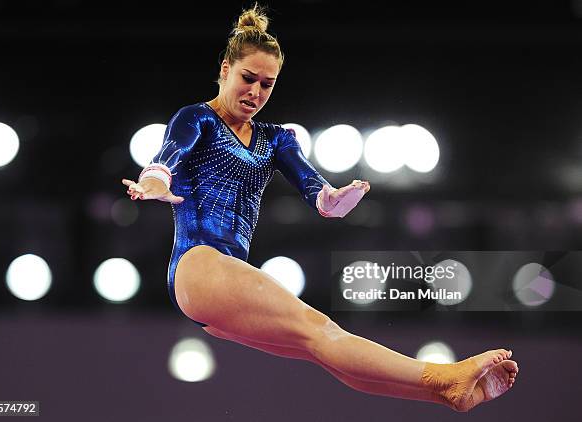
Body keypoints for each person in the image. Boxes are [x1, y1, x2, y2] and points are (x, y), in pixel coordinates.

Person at [122, 4, 518, 412]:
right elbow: (166, 160)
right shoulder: (197, 119)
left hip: (219, 285)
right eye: (247, 78)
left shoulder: (275, 139)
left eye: (267, 84)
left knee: (321, 348)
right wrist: (154, 184)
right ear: (225, 69)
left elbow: (318, 193)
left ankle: (442, 392)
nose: (255, 93)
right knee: (322, 331)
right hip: (199, 263)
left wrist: (335, 198)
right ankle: (442, 375)